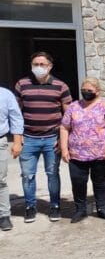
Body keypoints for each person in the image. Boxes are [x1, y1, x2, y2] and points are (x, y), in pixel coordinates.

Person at [15, 51, 72, 223]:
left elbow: (68, 115)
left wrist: (63, 141)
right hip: (28, 138)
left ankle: (55, 206)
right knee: (27, 175)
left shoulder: (61, 86)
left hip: (52, 139)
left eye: (42, 64)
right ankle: (30, 206)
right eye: (35, 64)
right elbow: (16, 113)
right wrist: (18, 137)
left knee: (52, 173)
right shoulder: (22, 84)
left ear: (50, 66)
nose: (38, 68)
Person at [60, 77, 105, 223]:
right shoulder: (73, 106)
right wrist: (64, 149)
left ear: (97, 91)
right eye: (84, 90)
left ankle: (101, 208)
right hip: (77, 154)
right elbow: (64, 127)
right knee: (78, 182)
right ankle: (80, 210)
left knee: (99, 181)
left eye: (89, 90)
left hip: (100, 153)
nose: (86, 93)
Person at [0, 87, 24, 231]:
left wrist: (17, 142)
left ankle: (4, 215)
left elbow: (16, 117)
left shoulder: (5, 94)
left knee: (0, 180)